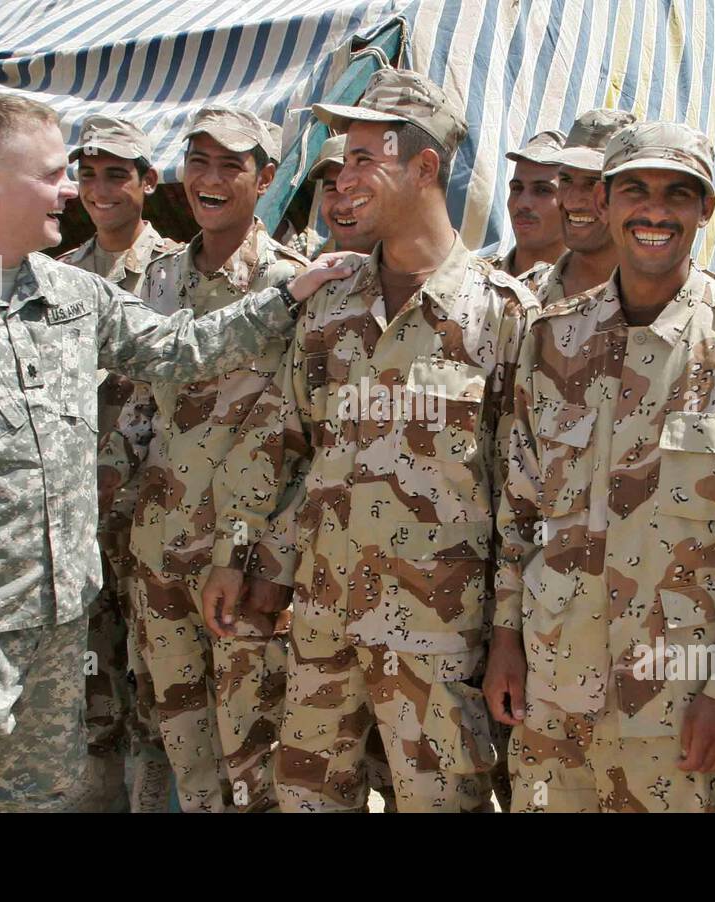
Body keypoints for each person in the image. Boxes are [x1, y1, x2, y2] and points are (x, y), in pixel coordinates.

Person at [0, 91, 350, 812]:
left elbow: (181, 347)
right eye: (54, 173)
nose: (71, 190)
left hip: (56, 631)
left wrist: (289, 294)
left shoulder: (71, 294)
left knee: (39, 801)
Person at [202, 68, 537, 812]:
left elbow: (523, 496)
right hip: (322, 624)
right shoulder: (331, 306)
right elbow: (280, 446)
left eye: (363, 159)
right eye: (341, 159)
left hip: (440, 641)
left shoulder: (503, 316)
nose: (343, 179)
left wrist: (509, 635)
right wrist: (237, 552)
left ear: (424, 168)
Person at [485, 122, 715, 812]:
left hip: (679, 704)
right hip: (554, 685)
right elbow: (521, 507)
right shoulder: (553, 338)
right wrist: (505, 638)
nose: (655, 212)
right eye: (635, 190)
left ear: (707, 209)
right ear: (603, 202)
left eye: (678, 195)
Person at [121, 105, 308, 813]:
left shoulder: (294, 285)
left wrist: (269, 559)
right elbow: (138, 413)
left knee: (256, 759)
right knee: (184, 747)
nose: (211, 178)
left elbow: (308, 439)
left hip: (246, 565)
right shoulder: (159, 280)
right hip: (160, 554)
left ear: (266, 178)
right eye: (198, 160)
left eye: (232, 164)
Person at [57, 114, 182, 811]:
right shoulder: (59, 276)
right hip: (79, 515)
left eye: (117, 175)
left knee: (158, 681)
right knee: (90, 679)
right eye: (88, 174)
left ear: (148, 181)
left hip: (151, 514)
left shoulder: (175, 272)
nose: (100, 189)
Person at [530, 109, 636, 305]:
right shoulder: (525, 294)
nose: (572, 202)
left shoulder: (653, 303)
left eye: (592, 183)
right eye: (566, 180)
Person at [487, 130, 566, 288]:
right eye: (517, 188)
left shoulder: (590, 289)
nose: (522, 203)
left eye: (542, 190)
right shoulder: (477, 279)